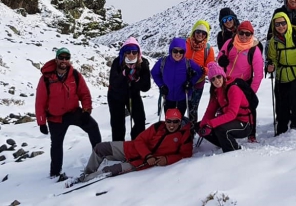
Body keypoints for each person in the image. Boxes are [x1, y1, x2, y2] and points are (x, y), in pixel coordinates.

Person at [35, 47, 101, 178]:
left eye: (67, 58)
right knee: (56, 145)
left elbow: (85, 94)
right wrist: (41, 123)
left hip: (73, 112)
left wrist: (86, 111)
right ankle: (54, 173)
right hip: (55, 117)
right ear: (56, 59)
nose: (64, 60)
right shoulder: (46, 78)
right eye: (61, 58)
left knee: (93, 127)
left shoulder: (75, 75)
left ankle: (99, 158)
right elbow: (40, 101)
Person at [81, 108, 192, 182]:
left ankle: (85, 181)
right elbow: (140, 140)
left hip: (143, 163)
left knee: (111, 170)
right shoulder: (158, 126)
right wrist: (147, 155)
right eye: (169, 121)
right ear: (165, 120)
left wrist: (167, 159)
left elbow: (185, 154)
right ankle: (87, 173)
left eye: (175, 121)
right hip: (133, 149)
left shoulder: (184, 135)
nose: (172, 125)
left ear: (180, 121)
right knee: (100, 148)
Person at [266, 12, 296, 134]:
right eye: (277, 24)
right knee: (281, 101)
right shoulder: (274, 41)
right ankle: (282, 127)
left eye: (283, 23)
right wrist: (270, 66)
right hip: (282, 75)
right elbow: (272, 58)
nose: (280, 26)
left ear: (287, 23)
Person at [217, 20, 264, 142]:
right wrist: (221, 59)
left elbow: (258, 74)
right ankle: (222, 130)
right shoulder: (229, 43)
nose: (244, 36)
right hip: (226, 82)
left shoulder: (254, 50)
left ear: (251, 35)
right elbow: (220, 55)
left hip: (243, 84)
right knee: (224, 105)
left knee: (249, 107)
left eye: (247, 34)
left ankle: (251, 133)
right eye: (241, 33)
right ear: (237, 32)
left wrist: (251, 92)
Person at [198, 62, 252, 152]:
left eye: (218, 77)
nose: (216, 81)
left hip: (244, 124)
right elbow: (210, 111)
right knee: (199, 126)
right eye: (213, 79)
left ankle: (232, 150)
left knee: (220, 128)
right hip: (231, 121)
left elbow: (232, 114)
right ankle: (224, 142)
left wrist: (210, 124)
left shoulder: (233, 89)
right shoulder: (216, 91)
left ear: (223, 76)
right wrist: (202, 126)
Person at [108, 37, 151, 141]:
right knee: (117, 122)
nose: (131, 54)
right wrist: (123, 74)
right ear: (124, 53)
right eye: (128, 51)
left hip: (133, 94)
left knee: (140, 119)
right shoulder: (118, 62)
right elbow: (113, 83)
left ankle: (137, 143)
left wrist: (137, 81)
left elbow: (146, 87)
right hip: (116, 95)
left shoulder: (143, 63)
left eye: (134, 51)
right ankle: (118, 146)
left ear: (138, 52)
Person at [151, 38, 203, 117]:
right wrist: (161, 85)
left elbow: (199, 72)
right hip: (168, 97)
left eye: (181, 51)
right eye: (175, 51)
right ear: (171, 50)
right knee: (169, 120)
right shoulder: (163, 61)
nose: (178, 54)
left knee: (179, 119)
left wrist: (191, 82)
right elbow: (154, 73)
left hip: (183, 97)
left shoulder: (188, 62)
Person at [185, 20, 216, 126]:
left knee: (193, 109)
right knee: (180, 107)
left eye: (203, 33)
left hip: (198, 83)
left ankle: (191, 131)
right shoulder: (185, 44)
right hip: (182, 82)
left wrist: (202, 70)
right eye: (198, 32)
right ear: (194, 31)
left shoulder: (208, 49)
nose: (200, 35)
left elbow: (210, 67)